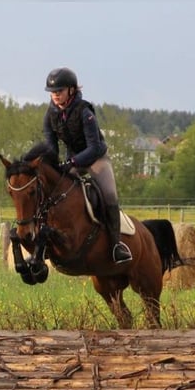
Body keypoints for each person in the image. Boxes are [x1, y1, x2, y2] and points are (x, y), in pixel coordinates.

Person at [42, 67, 132, 264]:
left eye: (60, 91)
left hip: (96, 159)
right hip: (72, 160)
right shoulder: (50, 115)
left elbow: (94, 147)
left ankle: (116, 246)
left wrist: (71, 162)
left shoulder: (84, 111)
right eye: (53, 92)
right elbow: (51, 146)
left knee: (109, 195)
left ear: (71, 90)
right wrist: (50, 165)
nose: (55, 95)